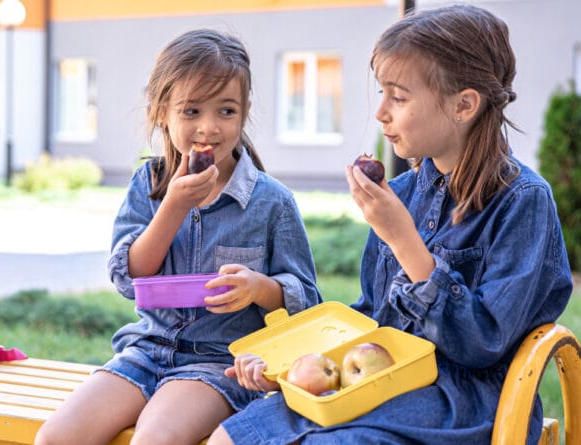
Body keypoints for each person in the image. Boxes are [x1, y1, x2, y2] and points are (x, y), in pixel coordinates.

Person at [208, 5, 574, 445]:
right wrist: (297, 370)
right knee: (231, 437)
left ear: (464, 105)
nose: (380, 111)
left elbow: (483, 344)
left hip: (459, 403)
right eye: (381, 92)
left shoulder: (522, 202)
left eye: (398, 97)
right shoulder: (400, 194)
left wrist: (404, 239)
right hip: (378, 385)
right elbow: (372, 320)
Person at [33, 29, 320, 445]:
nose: (209, 127)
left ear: (245, 112)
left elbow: (306, 298)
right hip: (146, 350)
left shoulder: (271, 202)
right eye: (191, 111)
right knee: (56, 437)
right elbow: (128, 278)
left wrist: (259, 288)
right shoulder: (148, 185)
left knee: (155, 439)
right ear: (161, 112)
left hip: (220, 362)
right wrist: (173, 206)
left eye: (226, 111)